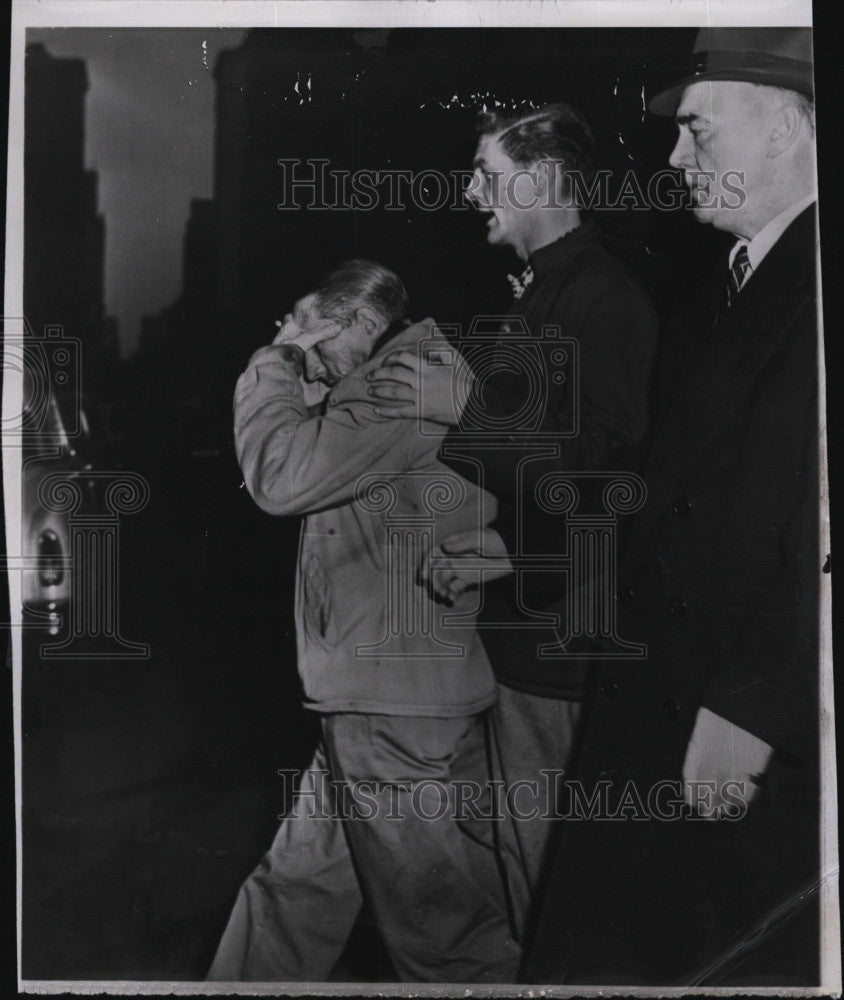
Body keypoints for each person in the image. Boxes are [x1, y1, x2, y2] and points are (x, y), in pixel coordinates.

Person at [523, 28, 823, 984]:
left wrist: (757, 706)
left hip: (741, 723)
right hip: (665, 693)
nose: (673, 159)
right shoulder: (728, 287)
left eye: (697, 131)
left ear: (785, 128)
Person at [365, 103, 658, 953]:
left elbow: (605, 476)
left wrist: (459, 410)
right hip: (522, 625)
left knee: (547, 875)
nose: (469, 191)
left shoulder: (604, 296)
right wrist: (499, 547)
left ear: (549, 180)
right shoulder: (551, 291)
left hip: (559, 642)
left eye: (489, 175)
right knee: (506, 857)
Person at [207, 260, 520, 983]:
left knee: (442, 937)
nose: (306, 358)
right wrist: (309, 366)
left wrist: (275, 359)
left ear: (349, 323)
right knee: (294, 894)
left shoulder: (398, 383)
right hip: (384, 694)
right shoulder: (406, 375)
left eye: (312, 335)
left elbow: (281, 476)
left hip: (390, 709)